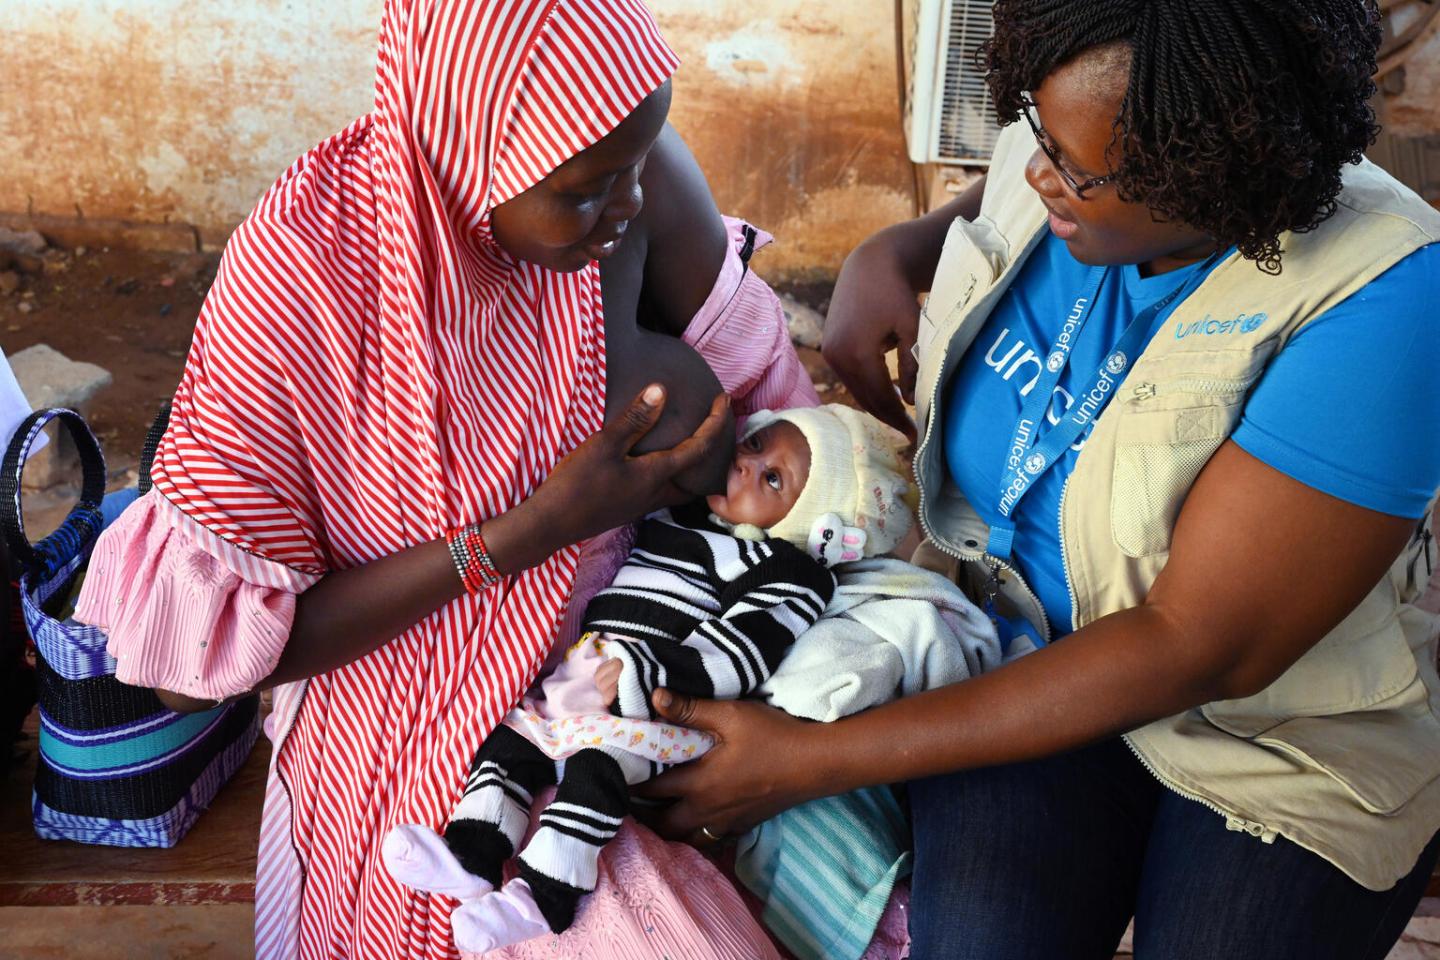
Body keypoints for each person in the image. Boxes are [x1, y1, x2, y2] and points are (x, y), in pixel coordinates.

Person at [634, 3, 1440, 959]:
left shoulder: (1390, 295)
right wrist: (891, 252)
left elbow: (1196, 643)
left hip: (1263, 736)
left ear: (1208, 173)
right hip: (1011, 654)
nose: (1032, 172)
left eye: (1073, 168)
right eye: (1036, 131)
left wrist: (802, 763)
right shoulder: (1073, 133)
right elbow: (999, 205)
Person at [72, 1, 820, 957]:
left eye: (636, 160)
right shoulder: (305, 277)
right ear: (469, 139)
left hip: (641, 668)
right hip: (412, 728)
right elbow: (190, 677)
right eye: (589, 190)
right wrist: (525, 536)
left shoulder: (631, 171)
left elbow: (786, 442)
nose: (629, 203)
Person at [381, 403, 914, 954]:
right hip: (587, 681)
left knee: (597, 770)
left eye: (773, 479)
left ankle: (546, 894)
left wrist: (653, 675)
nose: (744, 465)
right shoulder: (685, 516)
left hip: (661, 710)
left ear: (814, 522)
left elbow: (743, 653)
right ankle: (473, 850)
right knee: (510, 743)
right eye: (755, 447)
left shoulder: (785, 570)